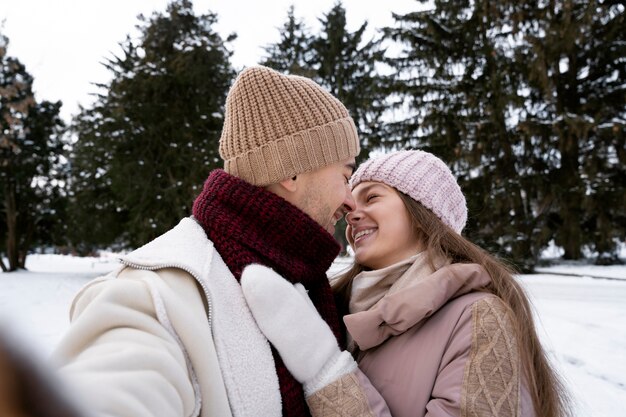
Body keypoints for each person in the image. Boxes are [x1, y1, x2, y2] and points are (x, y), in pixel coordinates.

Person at [51, 65, 388, 417]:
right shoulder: (160, 292)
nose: (350, 201)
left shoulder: (305, 278)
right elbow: (117, 383)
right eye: (345, 175)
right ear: (291, 171)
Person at [242, 150, 572, 417]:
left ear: (423, 214)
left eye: (372, 197)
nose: (352, 213)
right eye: (351, 204)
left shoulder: (479, 318)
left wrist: (326, 372)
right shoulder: (335, 308)